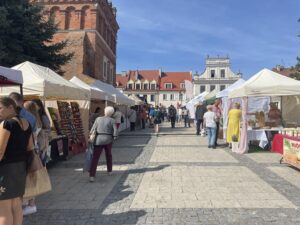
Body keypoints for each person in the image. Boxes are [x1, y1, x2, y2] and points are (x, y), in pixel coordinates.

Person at [0, 97, 34, 225]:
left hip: (5, 170)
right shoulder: (26, 123)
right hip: (20, 168)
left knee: (3, 210)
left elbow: (0, 151)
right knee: (16, 206)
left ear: (11, 107)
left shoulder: (7, 124)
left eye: (0, 108)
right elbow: (30, 147)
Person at [89, 106, 118, 182]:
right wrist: (114, 137)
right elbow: (115, 131)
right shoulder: (112, 120)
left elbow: (93, 129)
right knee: (108, 155)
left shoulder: (98, 119)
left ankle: (92, 175)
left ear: (104, 111)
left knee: (95, 157)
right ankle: (109, 171)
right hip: (108, 140)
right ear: (112, 113)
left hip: (98, 139)